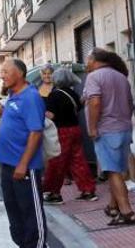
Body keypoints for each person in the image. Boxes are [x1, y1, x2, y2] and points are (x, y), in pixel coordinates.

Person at [0, 59, 47, 248]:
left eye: (5, 71)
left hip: (24, 168)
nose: (2, 75)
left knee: (31, 213)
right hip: (7, 166)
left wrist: (23, 164)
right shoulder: (12, 96)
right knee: (14, 212)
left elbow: (36, 132)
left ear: (19, 73)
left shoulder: (30, 97)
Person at [84, 48, 135, 225]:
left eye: (87, 59)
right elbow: (130, 104)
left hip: (106, 130)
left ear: (94, 60)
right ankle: (113, 206)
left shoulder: (94, 77)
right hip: (124, 129)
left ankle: (127, 212)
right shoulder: (121, 77)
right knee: (118, 170)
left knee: (113, 172)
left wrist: (91, 127)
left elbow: (95, 102)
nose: (86, 62)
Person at [42, 68, 96, 204]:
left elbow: (50, 115)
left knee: (57, 162)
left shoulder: (54, 95)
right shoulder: (73, 93)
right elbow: (78, 107)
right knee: (78, 161)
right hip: (75, 129)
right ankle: (88, 190)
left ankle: (54, 193)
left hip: (61, 131)